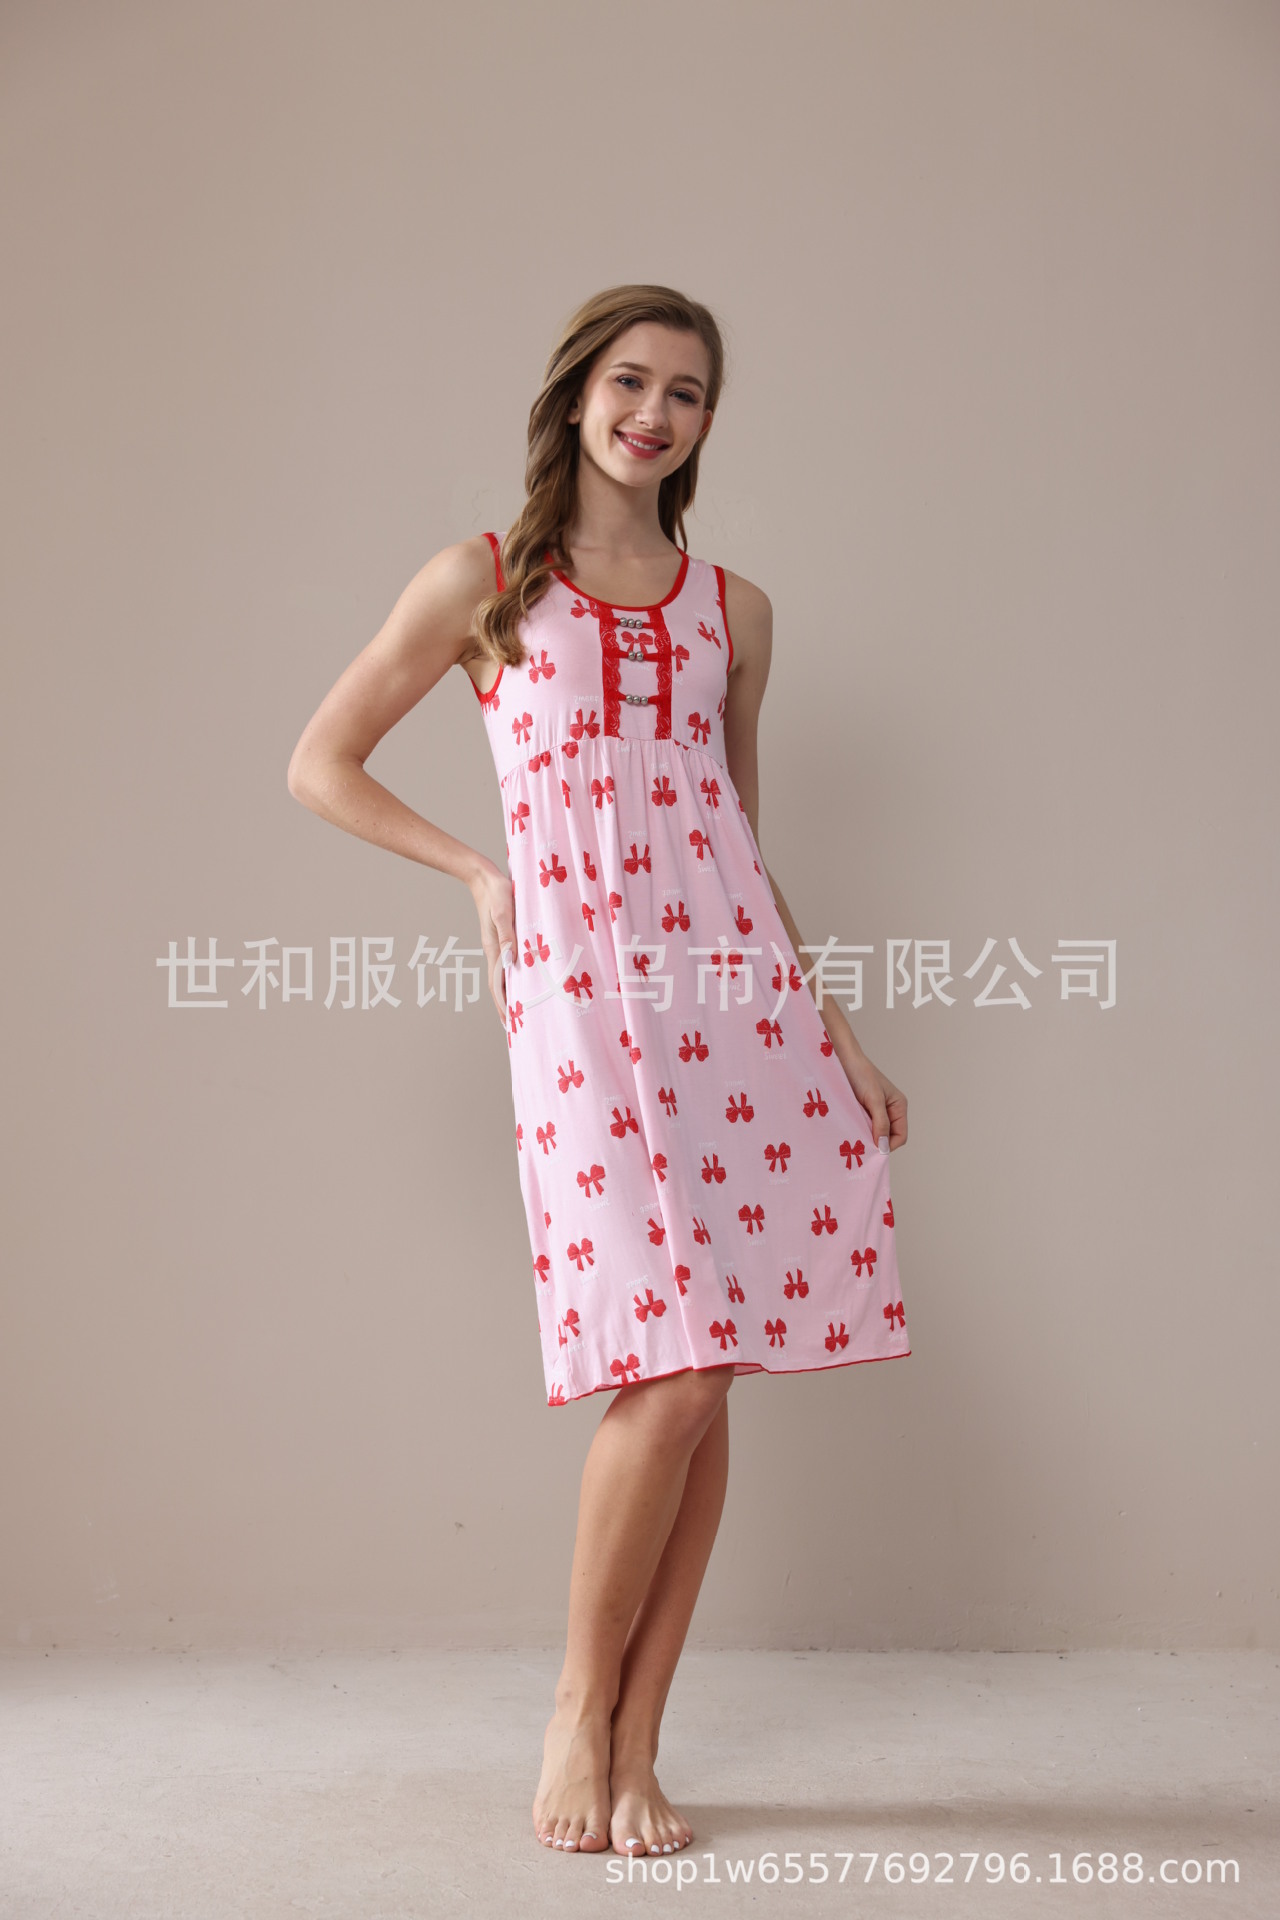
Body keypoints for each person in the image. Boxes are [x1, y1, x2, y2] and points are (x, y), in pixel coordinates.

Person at [287, 284, 911, 1860]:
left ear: (707, 424)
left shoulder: (735, 613)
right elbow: (319, 762)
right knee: (671, 1367)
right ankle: (579, 1710)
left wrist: (837, 1032)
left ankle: (640, 1744)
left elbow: (740, 845)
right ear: (576, 395)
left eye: (687, 394)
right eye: (631, 382)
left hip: (736, 1008)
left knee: (706, 1376)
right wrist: (477, 874)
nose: (655, 414)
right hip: (581, 1004)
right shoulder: (485, 581)